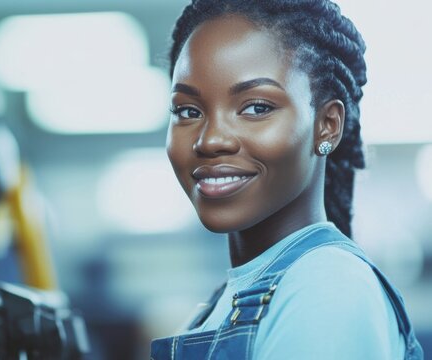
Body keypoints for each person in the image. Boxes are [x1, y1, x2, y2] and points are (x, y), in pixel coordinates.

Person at [150, 0, 424, 359]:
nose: (210, 139)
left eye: (257, 107)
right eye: (188, 111)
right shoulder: (226, 302)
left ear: (327, 124)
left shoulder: (328, 287)